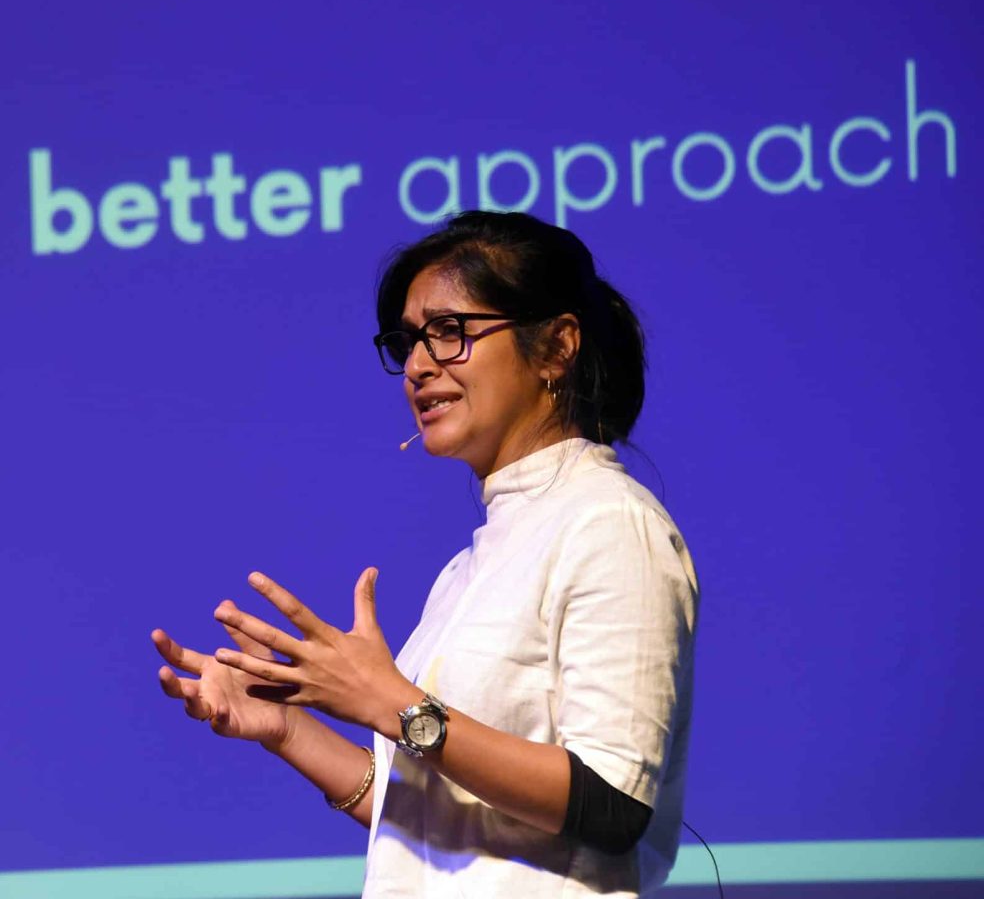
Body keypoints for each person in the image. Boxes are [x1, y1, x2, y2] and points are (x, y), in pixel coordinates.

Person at [152, 210, 699, 897]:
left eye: (449, 332)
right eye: (408, 341)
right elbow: (447, 822)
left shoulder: (611, 523)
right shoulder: (472, 564)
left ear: (557, 347)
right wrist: (287, 729)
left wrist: (395, 705)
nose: (416, 366)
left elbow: (613, 804)